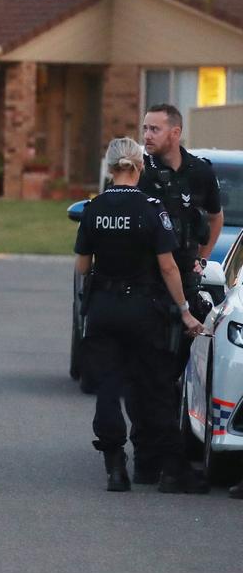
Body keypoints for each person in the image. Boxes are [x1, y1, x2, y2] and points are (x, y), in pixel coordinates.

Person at [75, 137, 206, 493]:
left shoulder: (94, 208)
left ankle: (115, 466)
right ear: (138, 165)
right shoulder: (152, 208)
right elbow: (168, 268)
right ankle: (171, 469)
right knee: (156, 385)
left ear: (110, 167)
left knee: (108, 386)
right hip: (143, 309)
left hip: (103, 308)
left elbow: (83, 265)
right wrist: (184, 311)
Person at [132, 103, 222, 485]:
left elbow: (215, 218)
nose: (147, 135)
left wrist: (201, 260)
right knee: (145, 374)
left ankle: (175, 454)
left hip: (183, 281)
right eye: (145, 128)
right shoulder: (138, 171)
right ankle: (147, 457)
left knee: (177, 375)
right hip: (146, 283)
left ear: (174, 132)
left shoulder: (200, 172)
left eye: (154, 129)